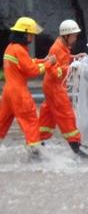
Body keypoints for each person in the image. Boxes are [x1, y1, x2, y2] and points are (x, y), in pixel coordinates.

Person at [0, 17, 56, 158]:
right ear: (24, 34)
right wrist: (48, 64)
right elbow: (31, 71)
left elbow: (28, 62)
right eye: (31, 34)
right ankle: (35, 153)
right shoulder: (19, 50)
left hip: (8, 92)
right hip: (19, 93)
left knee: (2, 122)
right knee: (30, 121)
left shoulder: (11, 48)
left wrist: (44, 60)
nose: (32, 37)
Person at [38, 19, 88, 158]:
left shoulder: (63, 46)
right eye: (74, 35)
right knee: (67, 115)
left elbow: (64, 60)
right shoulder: (56, 48)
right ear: (67, 35)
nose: (76, 37)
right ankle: (76, 148)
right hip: (55, 88)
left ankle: (36, 144)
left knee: (47, 116)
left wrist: (74, 58)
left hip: (53, 87)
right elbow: (54, 72)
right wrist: (72, 67)